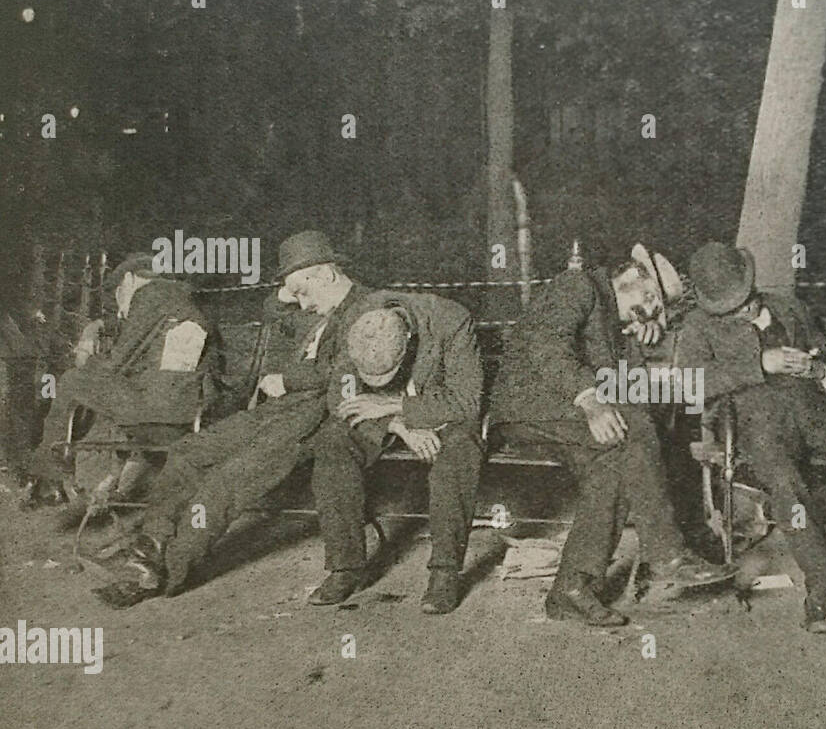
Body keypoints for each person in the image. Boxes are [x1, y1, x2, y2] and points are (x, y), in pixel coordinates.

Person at [95, 231, 374, 607]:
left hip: (318, 418)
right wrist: (288, 291)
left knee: (225, 482)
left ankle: (165, 573)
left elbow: (345, 374)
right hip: (279, 411)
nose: (301, 303)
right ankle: (152, 544)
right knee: (188, 452)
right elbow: (275, 314)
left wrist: (285, 379)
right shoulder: (319, 307)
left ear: (326, 275)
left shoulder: (367, 310)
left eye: (303, 291)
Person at [676, 242, 826, 644]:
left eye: (744, 301)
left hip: (815, 411)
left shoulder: (789, 307)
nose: (741, 311)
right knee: (789, 491)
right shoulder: (697, 327)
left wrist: (821, 371)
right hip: (756, 423)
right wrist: (758, 365)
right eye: (728, 310)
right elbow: (688, 386)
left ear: (751, 283)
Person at [491, 244, 737, 627]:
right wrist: (590, 400)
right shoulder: (579, 286)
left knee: (615, 465)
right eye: (651, 296)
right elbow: (544, 345)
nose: (653, 308)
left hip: (565, 416)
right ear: (629, 278)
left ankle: (571, 590)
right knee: (634, 426)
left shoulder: (619, 325)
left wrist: (637, 346)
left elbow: (625, 389)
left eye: (658, 306)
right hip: (528, 405)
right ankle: (669, 554)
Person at [306, 294, 483, 612]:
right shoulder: (359, 319)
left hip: (440, 410)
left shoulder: (451, 320)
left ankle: (444, 572)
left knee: (459, 449)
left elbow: (467, 401)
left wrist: (397, 405)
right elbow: (340, 397)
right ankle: (345, 567)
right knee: (333, 439)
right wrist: (397, 425)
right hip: (386, 416)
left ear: (410, 340)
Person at [23, 251, 219, 505]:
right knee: (97, 387)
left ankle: (47, 477)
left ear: (128, 280)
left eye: (118, 296)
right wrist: (96, 327)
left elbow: (115, 364)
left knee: (73, 379)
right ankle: (54, 476)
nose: (121, 310)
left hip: (157, 415)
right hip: (188, 410)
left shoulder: (148, 297)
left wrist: (85, 359)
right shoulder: (180, 300)